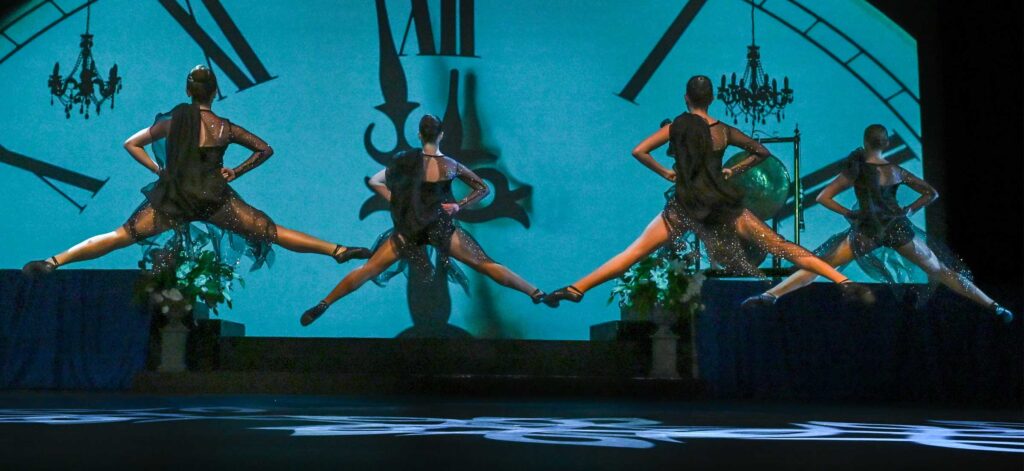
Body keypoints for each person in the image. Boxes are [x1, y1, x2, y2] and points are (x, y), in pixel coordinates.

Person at [543, 75, 874, 307]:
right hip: (720, 202)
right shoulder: (724, 131)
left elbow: (638, 151)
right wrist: (734, 168)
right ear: (711, 98)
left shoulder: (677, 126)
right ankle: (842, 281)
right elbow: (762, 152)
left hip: (685, 205)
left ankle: (577, 287)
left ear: (686, 98)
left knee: (634, 253)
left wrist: (666, 173)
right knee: (781, 245)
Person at [22, 65, 370, 278]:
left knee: (119, 237)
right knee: (272, 231)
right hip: (214, 198)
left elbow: (131, 143)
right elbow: (266, 149)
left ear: (189, 91)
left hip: (174, 198)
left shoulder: (173, 122)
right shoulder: (224, 126)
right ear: (214, 92)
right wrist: (237, 171)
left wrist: (159, 168)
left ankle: (54, 261)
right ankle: (336, 250)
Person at [741, 124, 1014, 323]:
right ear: (885, 144)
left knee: (822, 264)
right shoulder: (895, 171)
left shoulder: (857, 171)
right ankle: (992, 305)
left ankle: (773, 295)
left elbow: (823, 197)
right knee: (941, 270)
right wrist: (909, 208)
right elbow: (932, 193)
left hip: (867, 231)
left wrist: (849, 213)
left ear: (866, 141)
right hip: (895, 228)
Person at [299, 115, 543, 326]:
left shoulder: (405, 163)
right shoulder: (449, 165)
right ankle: (535, 292)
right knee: (485, 264)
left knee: (368, 270)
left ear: (419, 134)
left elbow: (374, 181)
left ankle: (324, 303)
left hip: (410, 228)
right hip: (440, 227)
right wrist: (459, 205)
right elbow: (483, 188)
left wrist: (397, 200)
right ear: (442, 135)